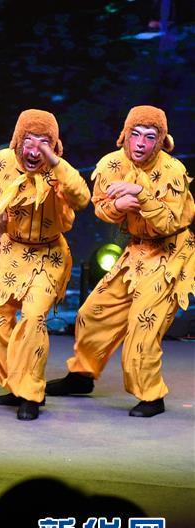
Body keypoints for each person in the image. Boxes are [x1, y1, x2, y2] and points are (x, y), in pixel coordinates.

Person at [46, 106, 193, 417]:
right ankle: (81, 375)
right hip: (136, 250)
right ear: (125, 135)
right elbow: (100, 206)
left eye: (150, 137)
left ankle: (151, 396)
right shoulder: (111, 164)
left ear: (161, 140)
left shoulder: (172, 170)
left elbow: (170, 222)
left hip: (170, 253)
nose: (140, 143)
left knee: (144, 324)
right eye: (135, 134)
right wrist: (118, 206)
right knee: (92, 314)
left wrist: (141, 194)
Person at [0, 109, 91, 420]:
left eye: (44, 142)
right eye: (29, 140)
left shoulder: (59, 172)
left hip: (48, 255)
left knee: (33, 317)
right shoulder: (0, 161)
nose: (34, 150)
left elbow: (82, 198)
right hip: (10, 251)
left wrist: (54, 161)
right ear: (17, 140)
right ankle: (16, 385)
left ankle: (30, 392)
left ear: (54, 146)